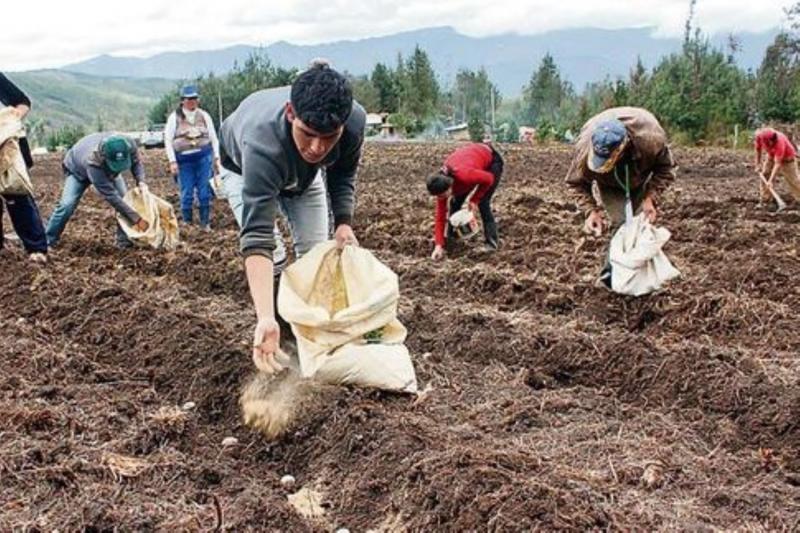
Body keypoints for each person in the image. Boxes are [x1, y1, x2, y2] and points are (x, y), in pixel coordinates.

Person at [218, 62, 365, 373]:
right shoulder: (262, 143)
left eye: (329, 137)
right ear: (290, 113)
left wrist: (343, 222)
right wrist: (264, 317)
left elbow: (343, 173)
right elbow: (257, 237)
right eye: (308, 134)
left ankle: (309, 334)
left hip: (304, 177)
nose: (317, 147)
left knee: (315, 255)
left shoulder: (353, 121)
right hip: (243, 170)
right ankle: (279, 327)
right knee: (274, 254)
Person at [565, 107, 676, 284]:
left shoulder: (651, 141)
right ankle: (613, 277)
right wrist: (590, 211)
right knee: (621, 223)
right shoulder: (584, 150)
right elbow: (575, 183)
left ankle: (643, 279)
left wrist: (650, 198)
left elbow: (666, 170)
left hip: (639, 173)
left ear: (621, 149)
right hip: (609, 183)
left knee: (640, 223)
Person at [45, 133, 149, 249]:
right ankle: (48, 240)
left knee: (125, 201)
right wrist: (137, 219)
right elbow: (112, 196)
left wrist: (141, 181)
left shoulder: (128, 144)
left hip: (105, 170)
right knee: (66, 205)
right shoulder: (93, 162)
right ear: (105, 157)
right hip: (77, 171)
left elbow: (136, 162)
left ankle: (124, 242)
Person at [426, 142, 503, 260]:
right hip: (470, 164)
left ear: (449, 186)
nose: (441, 198)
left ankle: (491, 243)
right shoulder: (441, 184)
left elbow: (489, 179)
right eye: (438, 196)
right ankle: (451, 239)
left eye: (443, 195)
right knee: (455, 203)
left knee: (483, 203)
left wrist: (474, 199)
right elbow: (440, 218)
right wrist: (438, 245)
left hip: (491, 161)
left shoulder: (465, 176)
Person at [0, 72, 48, 263]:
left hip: (8, 149)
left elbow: (22, 103)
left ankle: (36, 248)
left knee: (17, 196)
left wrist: (10, 120)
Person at [164, 85, 221, 229]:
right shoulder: (174, 118)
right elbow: (168, 141)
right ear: (182, 101)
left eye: (194, 98)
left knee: (204, 192)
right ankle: (188, 224)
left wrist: (217, 157)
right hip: (184, 162)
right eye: (189, 99)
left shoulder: (204, 116)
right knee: (187, 193)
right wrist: (172, 161)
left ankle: (205, 223)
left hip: (203, 159)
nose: (192, 101)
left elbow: (213, 138)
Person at [753, 127, 800, 206]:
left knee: (794, 180)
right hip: (771, 155)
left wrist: (770, 181)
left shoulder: (779, 142)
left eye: (773, 141)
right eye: (770, 141)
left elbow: (777, 164)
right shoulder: (759, 137)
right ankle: (766, 199)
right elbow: (758, 149)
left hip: (788, 159)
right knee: (765, 174)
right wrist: (757, 164)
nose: (772, 143)